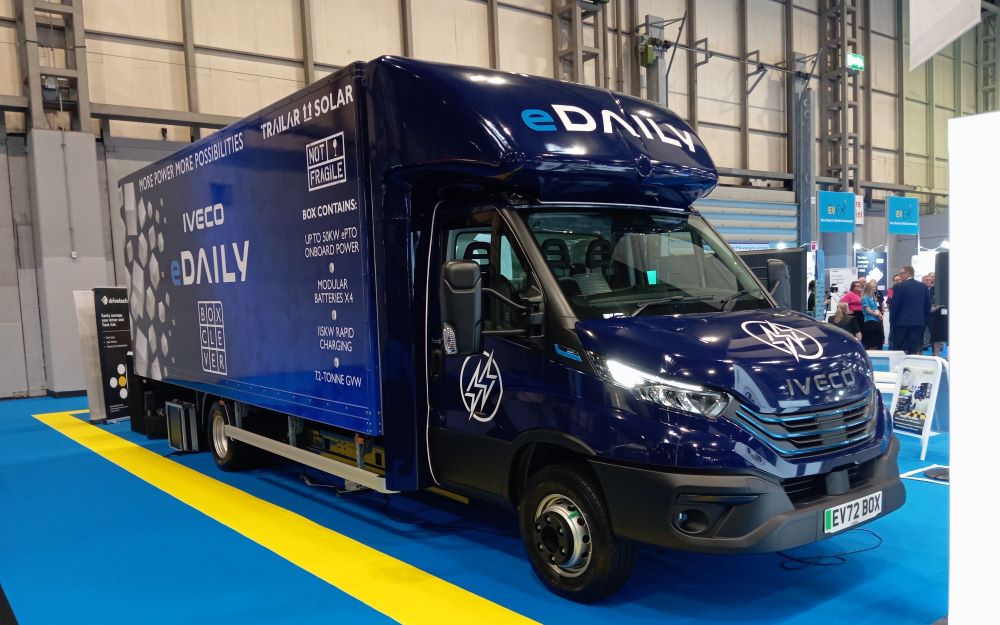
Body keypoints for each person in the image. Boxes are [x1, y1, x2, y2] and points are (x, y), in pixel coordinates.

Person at [889, 265, 932, 355]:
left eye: (901, 273)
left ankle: (900, 363)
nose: (900, 275)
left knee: (899, 350)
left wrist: (892, 321)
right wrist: (924, 320)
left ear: (907, 273)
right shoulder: (923, 287)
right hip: (918, 323)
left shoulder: (899, 287)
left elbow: (895, 306)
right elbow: (928, 305)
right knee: (914, 349)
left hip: (901, 323)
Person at [860, 279, 884, 350]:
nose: (875, 289)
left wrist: (880, 314)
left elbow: (876, 308)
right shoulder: (864, 298)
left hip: (877, 320)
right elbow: (867, 309)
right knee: (871, 339)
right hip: (869, 320)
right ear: (868, 288)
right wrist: (877, 315)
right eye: (873, 287)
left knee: (880, 337)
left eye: (875, 287)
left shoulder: (873, 297)